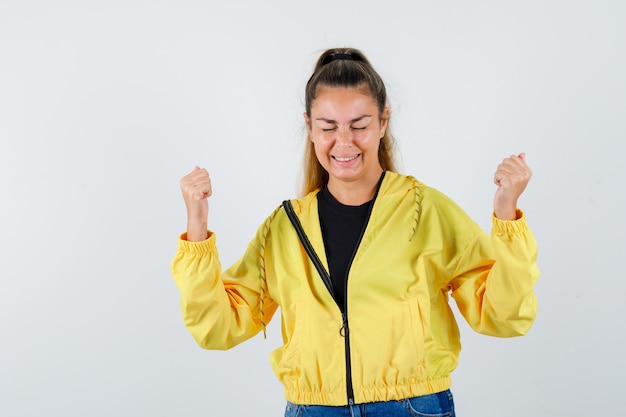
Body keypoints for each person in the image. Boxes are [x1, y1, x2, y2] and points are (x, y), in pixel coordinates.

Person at [171, 47, 539, 417]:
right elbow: (218, 328)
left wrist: (506, 213)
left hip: (412, 407)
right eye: (328, 127)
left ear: (383, 121)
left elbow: (504, 316)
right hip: (313, 409)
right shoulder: (284, 228)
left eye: (359, 125)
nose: (344, 142)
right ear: (309, 126)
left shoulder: (426, 211)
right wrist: (197, 228)